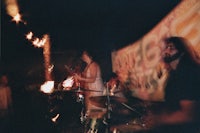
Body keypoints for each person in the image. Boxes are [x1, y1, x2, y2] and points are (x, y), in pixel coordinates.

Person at [142, 36, 200, 133]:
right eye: (165, 48)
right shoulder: (174, 74)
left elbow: (189, 114)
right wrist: (157, 110)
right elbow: (174, 103)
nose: (165, 51)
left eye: (171, 48)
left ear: (182, 52)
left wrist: (159, 119)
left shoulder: (188, 72)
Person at [74, 49, 106, 132]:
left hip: (96, 91)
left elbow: (92, 79)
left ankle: (97, 129)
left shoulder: (94, 65)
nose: (82, 56)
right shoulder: (88, 66)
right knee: (91, 115)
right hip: (91, 92)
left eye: (84, 54)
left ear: (88, 55)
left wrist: (81, 78)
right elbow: (87, 81)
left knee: (96, 114)